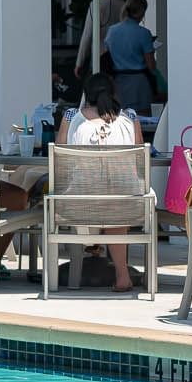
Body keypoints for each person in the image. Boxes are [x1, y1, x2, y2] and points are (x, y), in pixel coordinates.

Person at [66, 74, 141, 292]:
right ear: (113, 93)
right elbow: (138, 158)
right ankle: (122, 274)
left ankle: (90, 247)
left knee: (104, 195)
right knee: (116, 197)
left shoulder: (75, 119)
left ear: (85, 96)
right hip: (125, 204)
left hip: (80, 204)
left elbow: (65, 158)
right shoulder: (128, 120)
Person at [105, 0, 158, 117]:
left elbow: (107, 54)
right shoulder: (144, 33)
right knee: (141, 121)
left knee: (119, 119)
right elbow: (151, 66)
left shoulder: (112, 31)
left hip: (118, 82)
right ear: (142, 12)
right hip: (139, 83)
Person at [74, 0, 127, 77]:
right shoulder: (125, 6)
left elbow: (87, 35)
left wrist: (79, 63)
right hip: (121, 61)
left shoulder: (97, 5)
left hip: (100, 60)